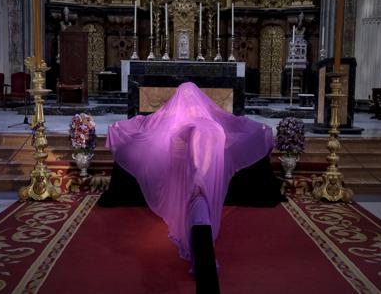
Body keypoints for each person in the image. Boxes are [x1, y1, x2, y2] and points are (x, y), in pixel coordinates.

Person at [105, 82, 274, 263]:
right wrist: (259, 129)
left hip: (189, 164)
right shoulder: (205, 116)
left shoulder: (188, 117)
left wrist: (120, 128)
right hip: (196, 165)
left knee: (192, 197)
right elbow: (232, 121)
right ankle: (198, 229)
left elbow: (146, 122)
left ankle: (194, 227)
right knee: (196, 198)